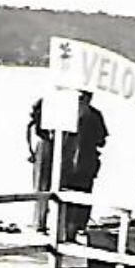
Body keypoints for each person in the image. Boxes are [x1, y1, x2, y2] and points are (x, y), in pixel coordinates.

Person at [58, 89, 109, 241]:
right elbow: (102, 140)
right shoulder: (94, 115)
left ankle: (64, 231)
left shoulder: (66, 113)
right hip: (85, 164)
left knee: (66, 198)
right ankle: (75, 231)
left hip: (67, 163)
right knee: (82, 200)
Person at [26, 96, 57, 232]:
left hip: (40, 149)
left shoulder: (35, 124)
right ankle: (40, 221)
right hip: (46, 149)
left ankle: (38, 220)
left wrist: (31, 152)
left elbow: (29, 135)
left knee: (40, 185)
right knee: (44, 185)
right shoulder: (46, 124)